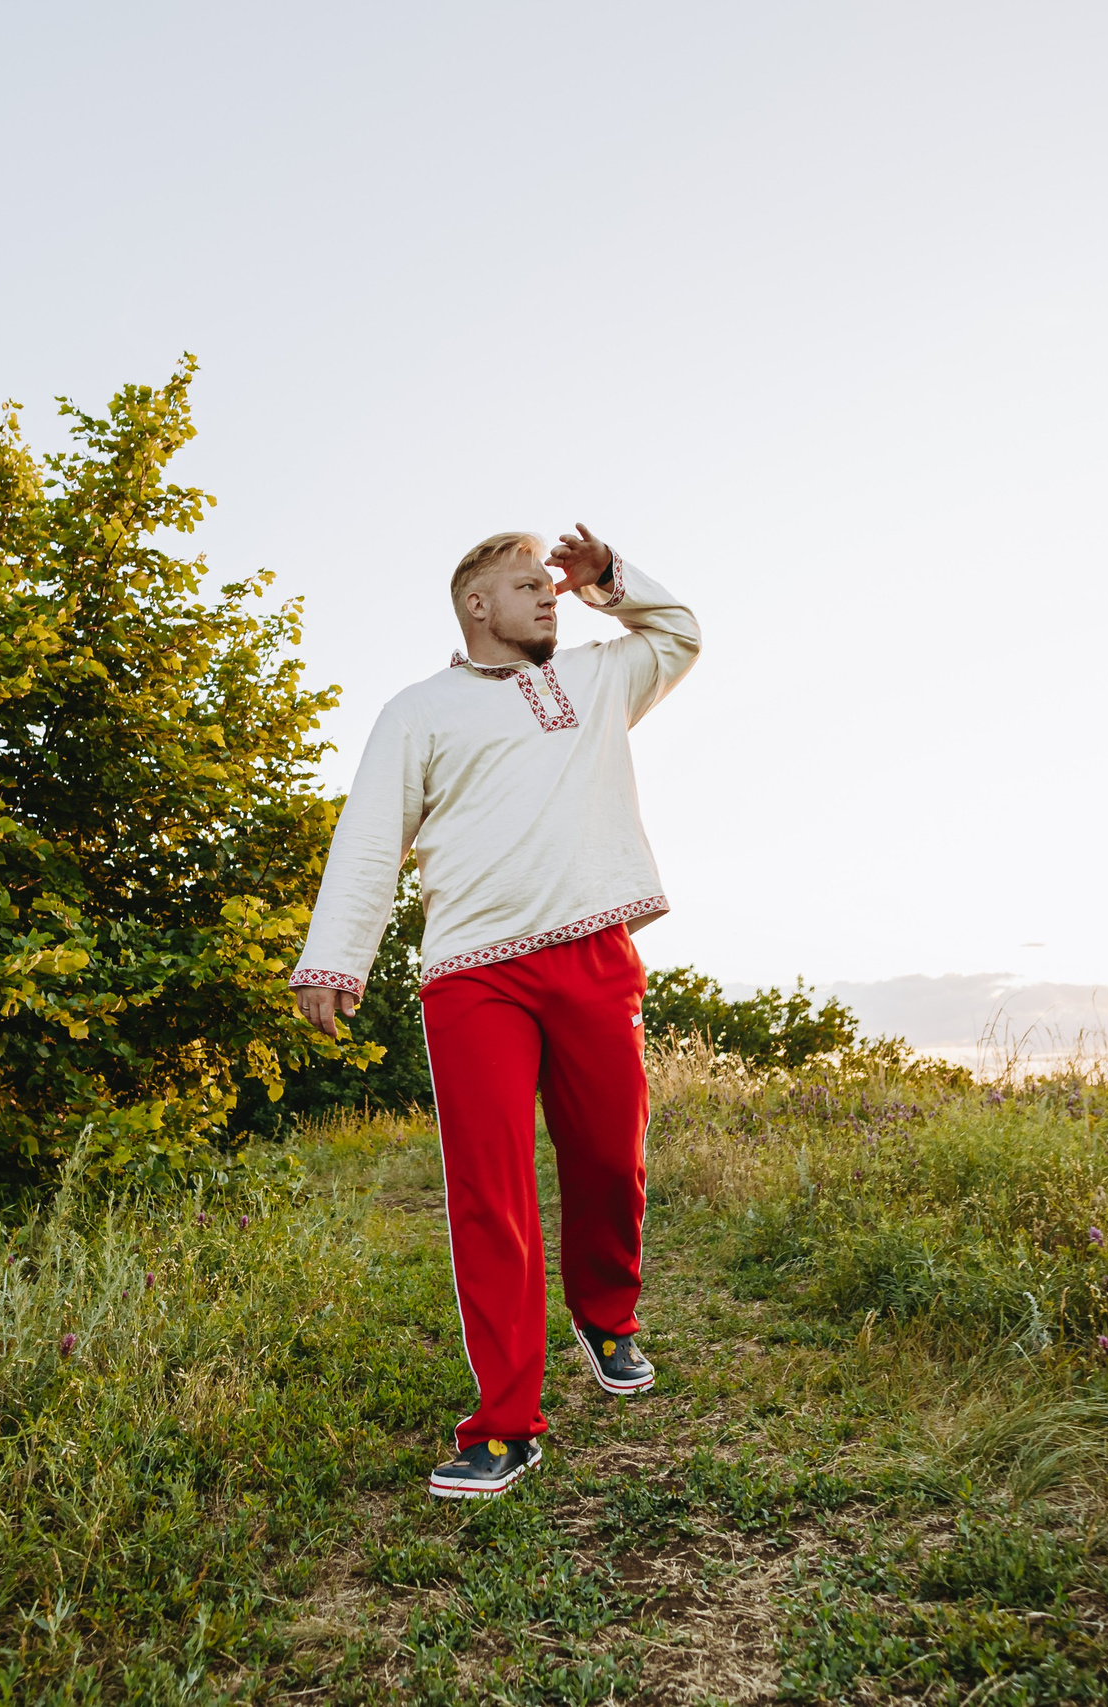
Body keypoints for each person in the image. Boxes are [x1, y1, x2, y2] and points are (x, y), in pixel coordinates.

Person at [290, 524, 702, 1498]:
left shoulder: (601, 679)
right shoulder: (417, 710)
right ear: (477, 605)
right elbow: (367, 837)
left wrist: (608, 579)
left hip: (594, 952)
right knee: (490, 1191)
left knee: (610, 1155)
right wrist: (334, 960)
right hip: (474, 974)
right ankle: (504, 1425)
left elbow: (679, 633)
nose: (547, 596)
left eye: (552, 586)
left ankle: (607, 1315)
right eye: (528, 585)